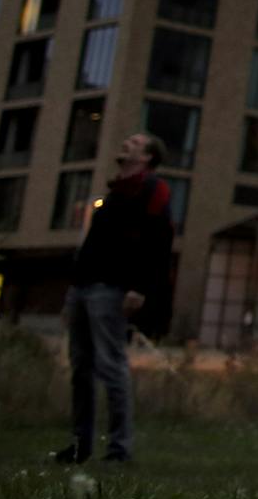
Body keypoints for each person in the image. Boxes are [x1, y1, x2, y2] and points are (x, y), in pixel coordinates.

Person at [52, 132, 173, 465]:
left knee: (111, 365)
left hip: (112, 288)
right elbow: (92, 244)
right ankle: (80, 444)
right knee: (81, 367)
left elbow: (158, 242)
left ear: (147, 157)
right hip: (85, 286)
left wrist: (140, 287)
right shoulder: (113, 194)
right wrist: (71, 292)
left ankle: (119, 448)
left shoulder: (153, 190)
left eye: (135, 142)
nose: (127, 144)